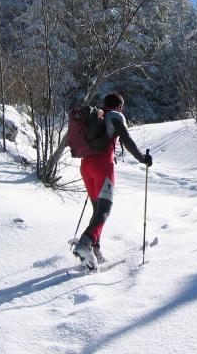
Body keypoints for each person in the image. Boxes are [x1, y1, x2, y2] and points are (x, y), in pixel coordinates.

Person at [73, 92, 152, 270]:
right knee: (105, 209)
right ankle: (85, 243)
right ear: (119, 106)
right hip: (102, 165)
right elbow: (126, 138)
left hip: (86, 166)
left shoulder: (96, 117)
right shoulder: (115, 116)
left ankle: (95, 249)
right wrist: (142, 159)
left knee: (97, 209)